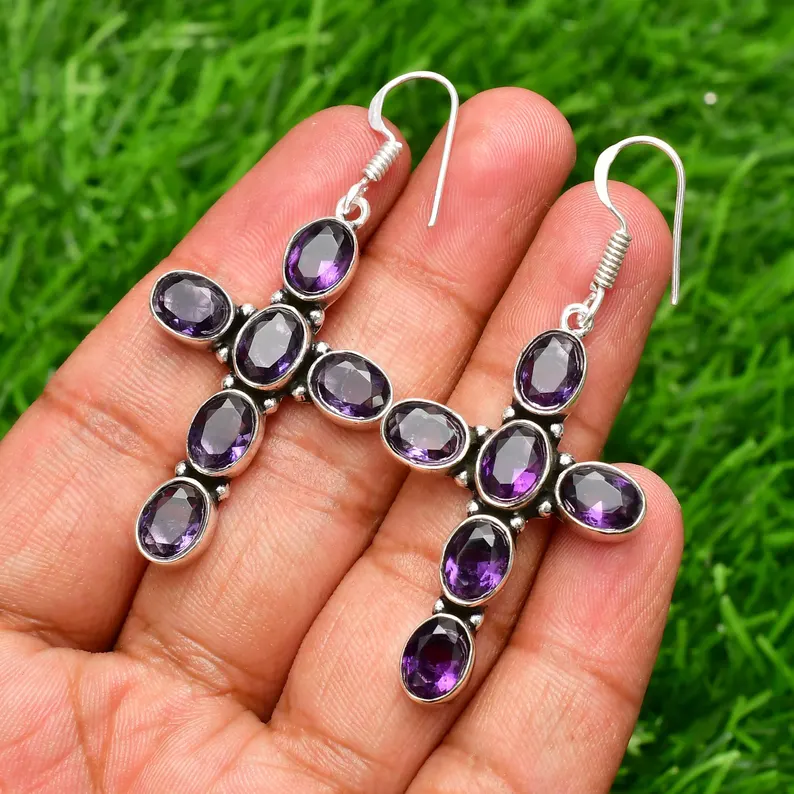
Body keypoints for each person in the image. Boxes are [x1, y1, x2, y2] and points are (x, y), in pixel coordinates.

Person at [0, 88, 682, 792]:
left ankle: (438, 644)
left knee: (450, 603)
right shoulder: (329, 368)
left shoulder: (452, 426)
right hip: (304, 408)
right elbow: (385, 411)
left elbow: (392, 413)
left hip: (448, 480)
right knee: (206, 479)